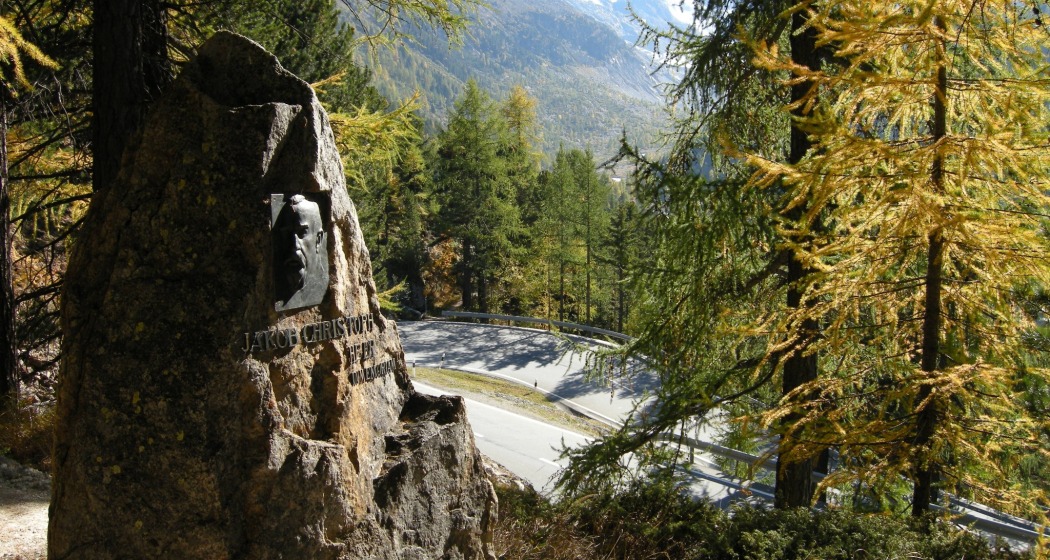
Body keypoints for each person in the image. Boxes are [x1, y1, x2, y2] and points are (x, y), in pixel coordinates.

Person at [273, 194, 329, 311]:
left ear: (318, 240)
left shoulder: (323, 287)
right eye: (286, 233)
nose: (295, 246)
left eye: (302, 233)